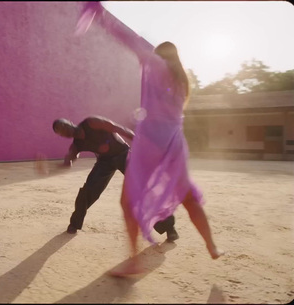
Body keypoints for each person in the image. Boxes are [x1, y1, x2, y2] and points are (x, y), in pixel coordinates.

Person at [75, 2, 224, 277]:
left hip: (149, 145)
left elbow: (129, 39)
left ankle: (133, 262)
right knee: (189, 198)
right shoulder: (183, 81)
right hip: (175, 145)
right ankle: (212, 246)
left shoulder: (155, 64)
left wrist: (100, 14)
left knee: (127, 202)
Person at [53, 116, 180, 241]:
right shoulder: (76, 144)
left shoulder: (91, 122)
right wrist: (63, 163)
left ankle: (169, 228)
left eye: (63, 126)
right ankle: (74, 224)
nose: (64, 131)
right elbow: (70, 157)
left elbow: (118, 128)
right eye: (61, 132)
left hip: (123, 154)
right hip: (104, 162)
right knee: (87, 191)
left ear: (70, 122)